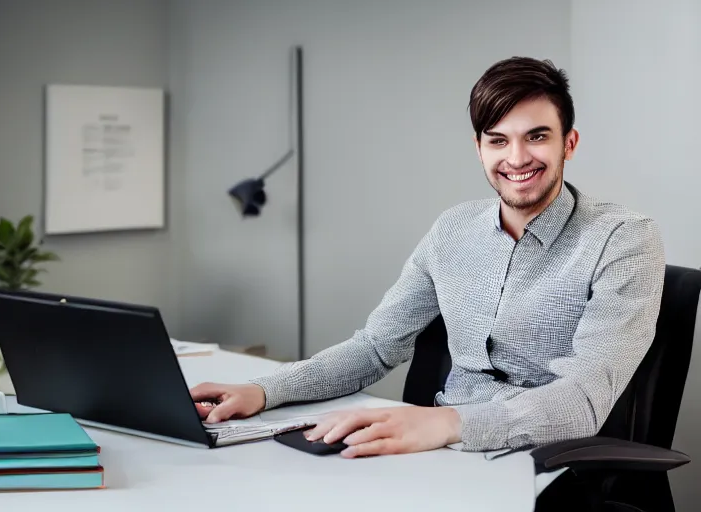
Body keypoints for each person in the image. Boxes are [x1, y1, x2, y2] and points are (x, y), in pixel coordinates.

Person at [190, 56, 665, 458]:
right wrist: (265, 390)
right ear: (479, 149)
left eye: (536, 136)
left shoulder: (623, 240)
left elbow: (582, 400)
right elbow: (375, 348)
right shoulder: (453, 231)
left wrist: (444, 424)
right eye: (498, 140)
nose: (516, 157)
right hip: (435, 453)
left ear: (570, 143)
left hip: (545, 464)